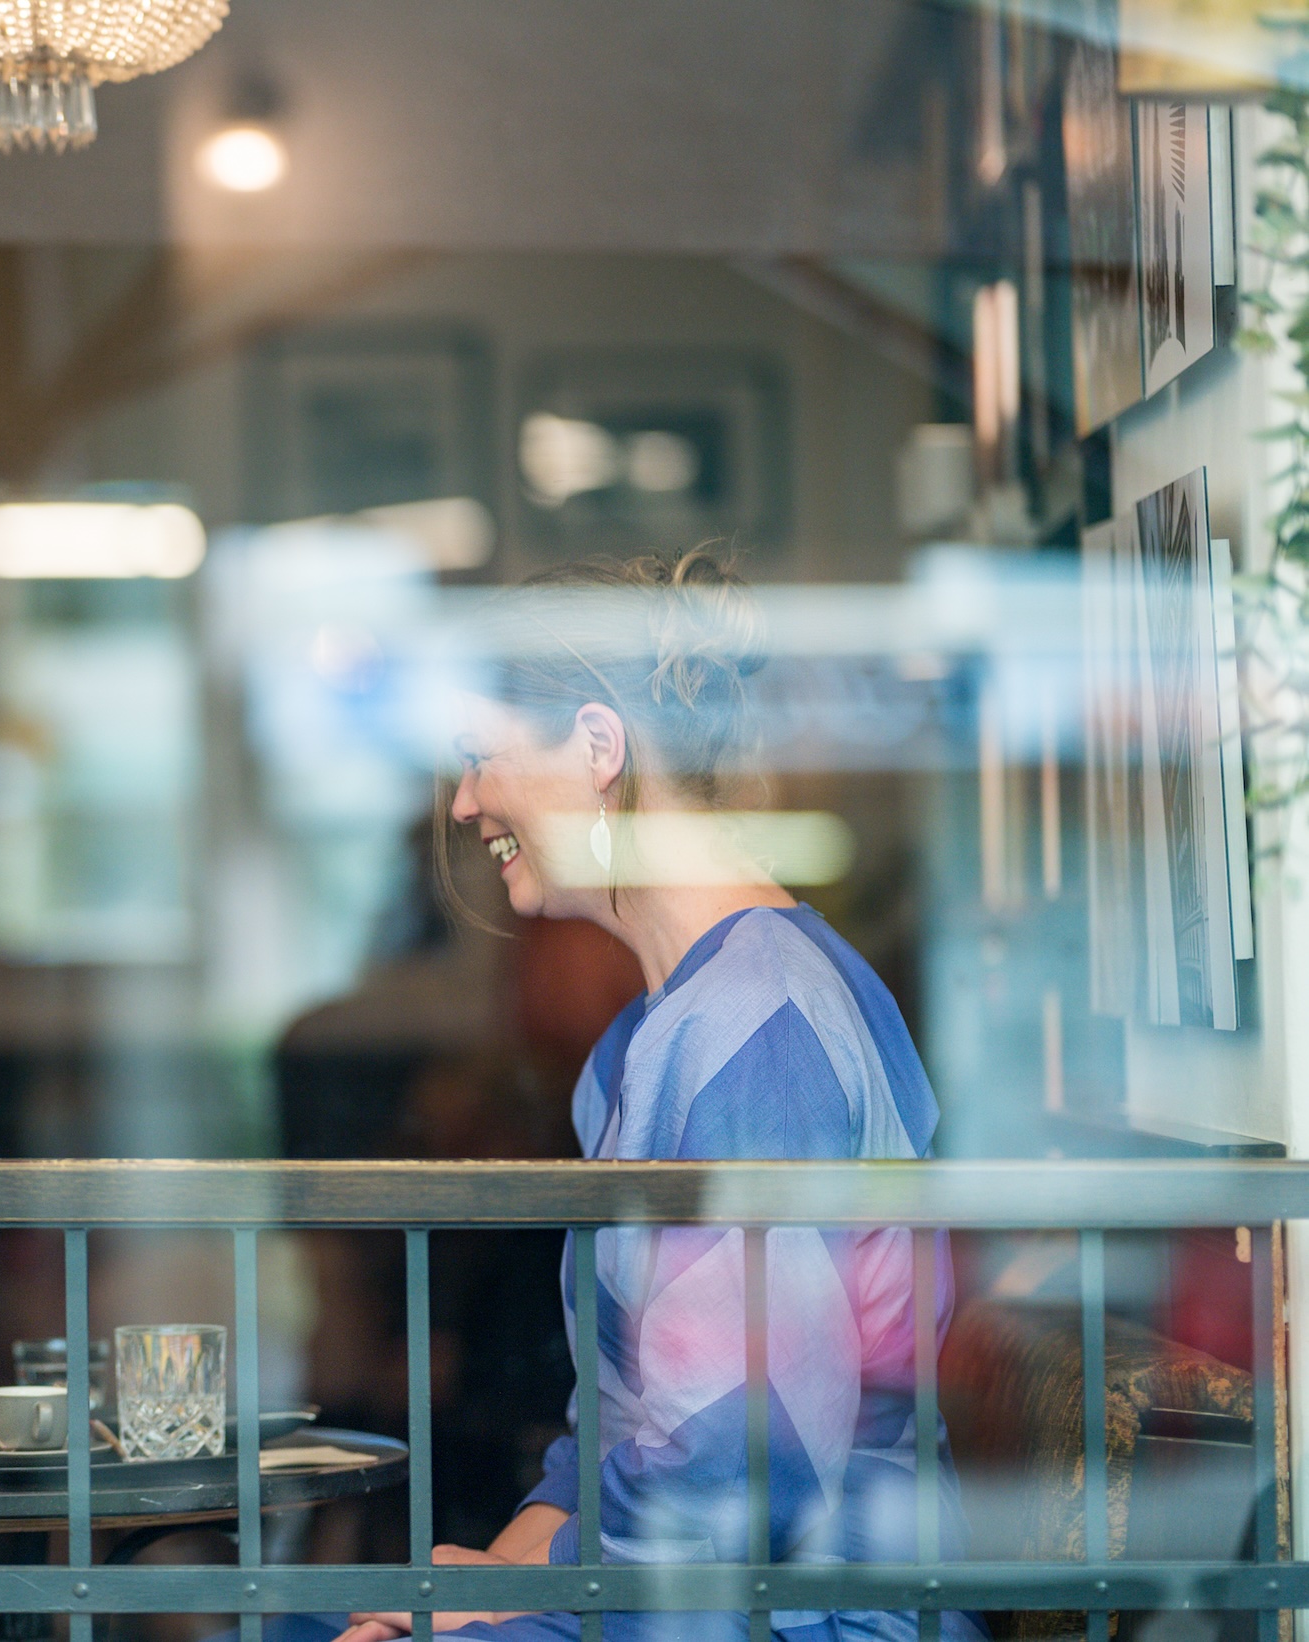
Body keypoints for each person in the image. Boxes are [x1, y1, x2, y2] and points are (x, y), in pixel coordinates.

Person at [269, 553, 980, 1642]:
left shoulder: (759, 1024)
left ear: (599, 748)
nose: (463, 801)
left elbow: (741, 1466)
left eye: (478, 755)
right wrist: (471, 1587)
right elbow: (611, 1434)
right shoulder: (644, 1038)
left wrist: (509, 1591)